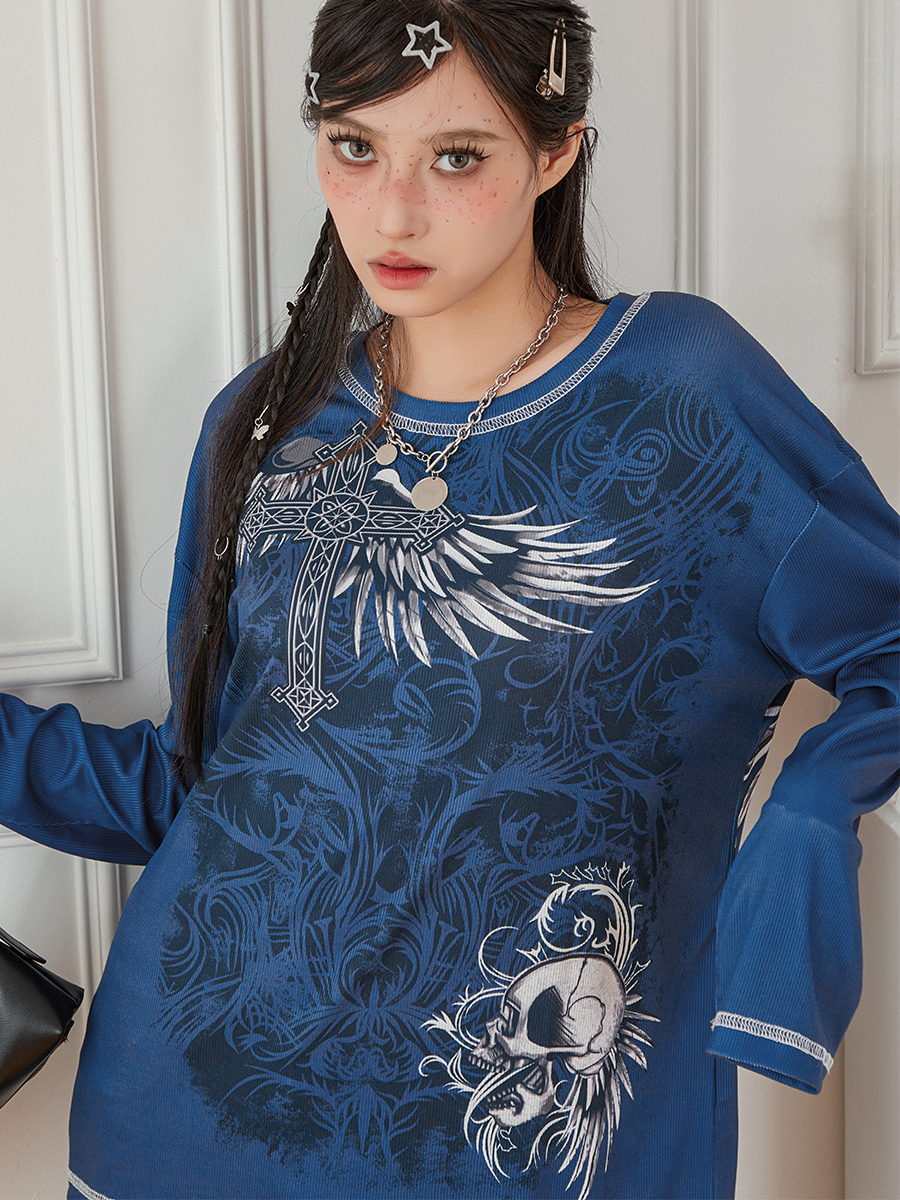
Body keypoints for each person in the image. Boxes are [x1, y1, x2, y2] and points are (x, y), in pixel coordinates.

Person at [0, 1, 896, 1197]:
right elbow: (209, 787)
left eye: (457, 156)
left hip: (516, 1143)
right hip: (174, 1126)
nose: (392, 211)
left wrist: (812, 814)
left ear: (558, 150)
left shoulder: (684, 397)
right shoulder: (267, 419)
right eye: (354, 146)